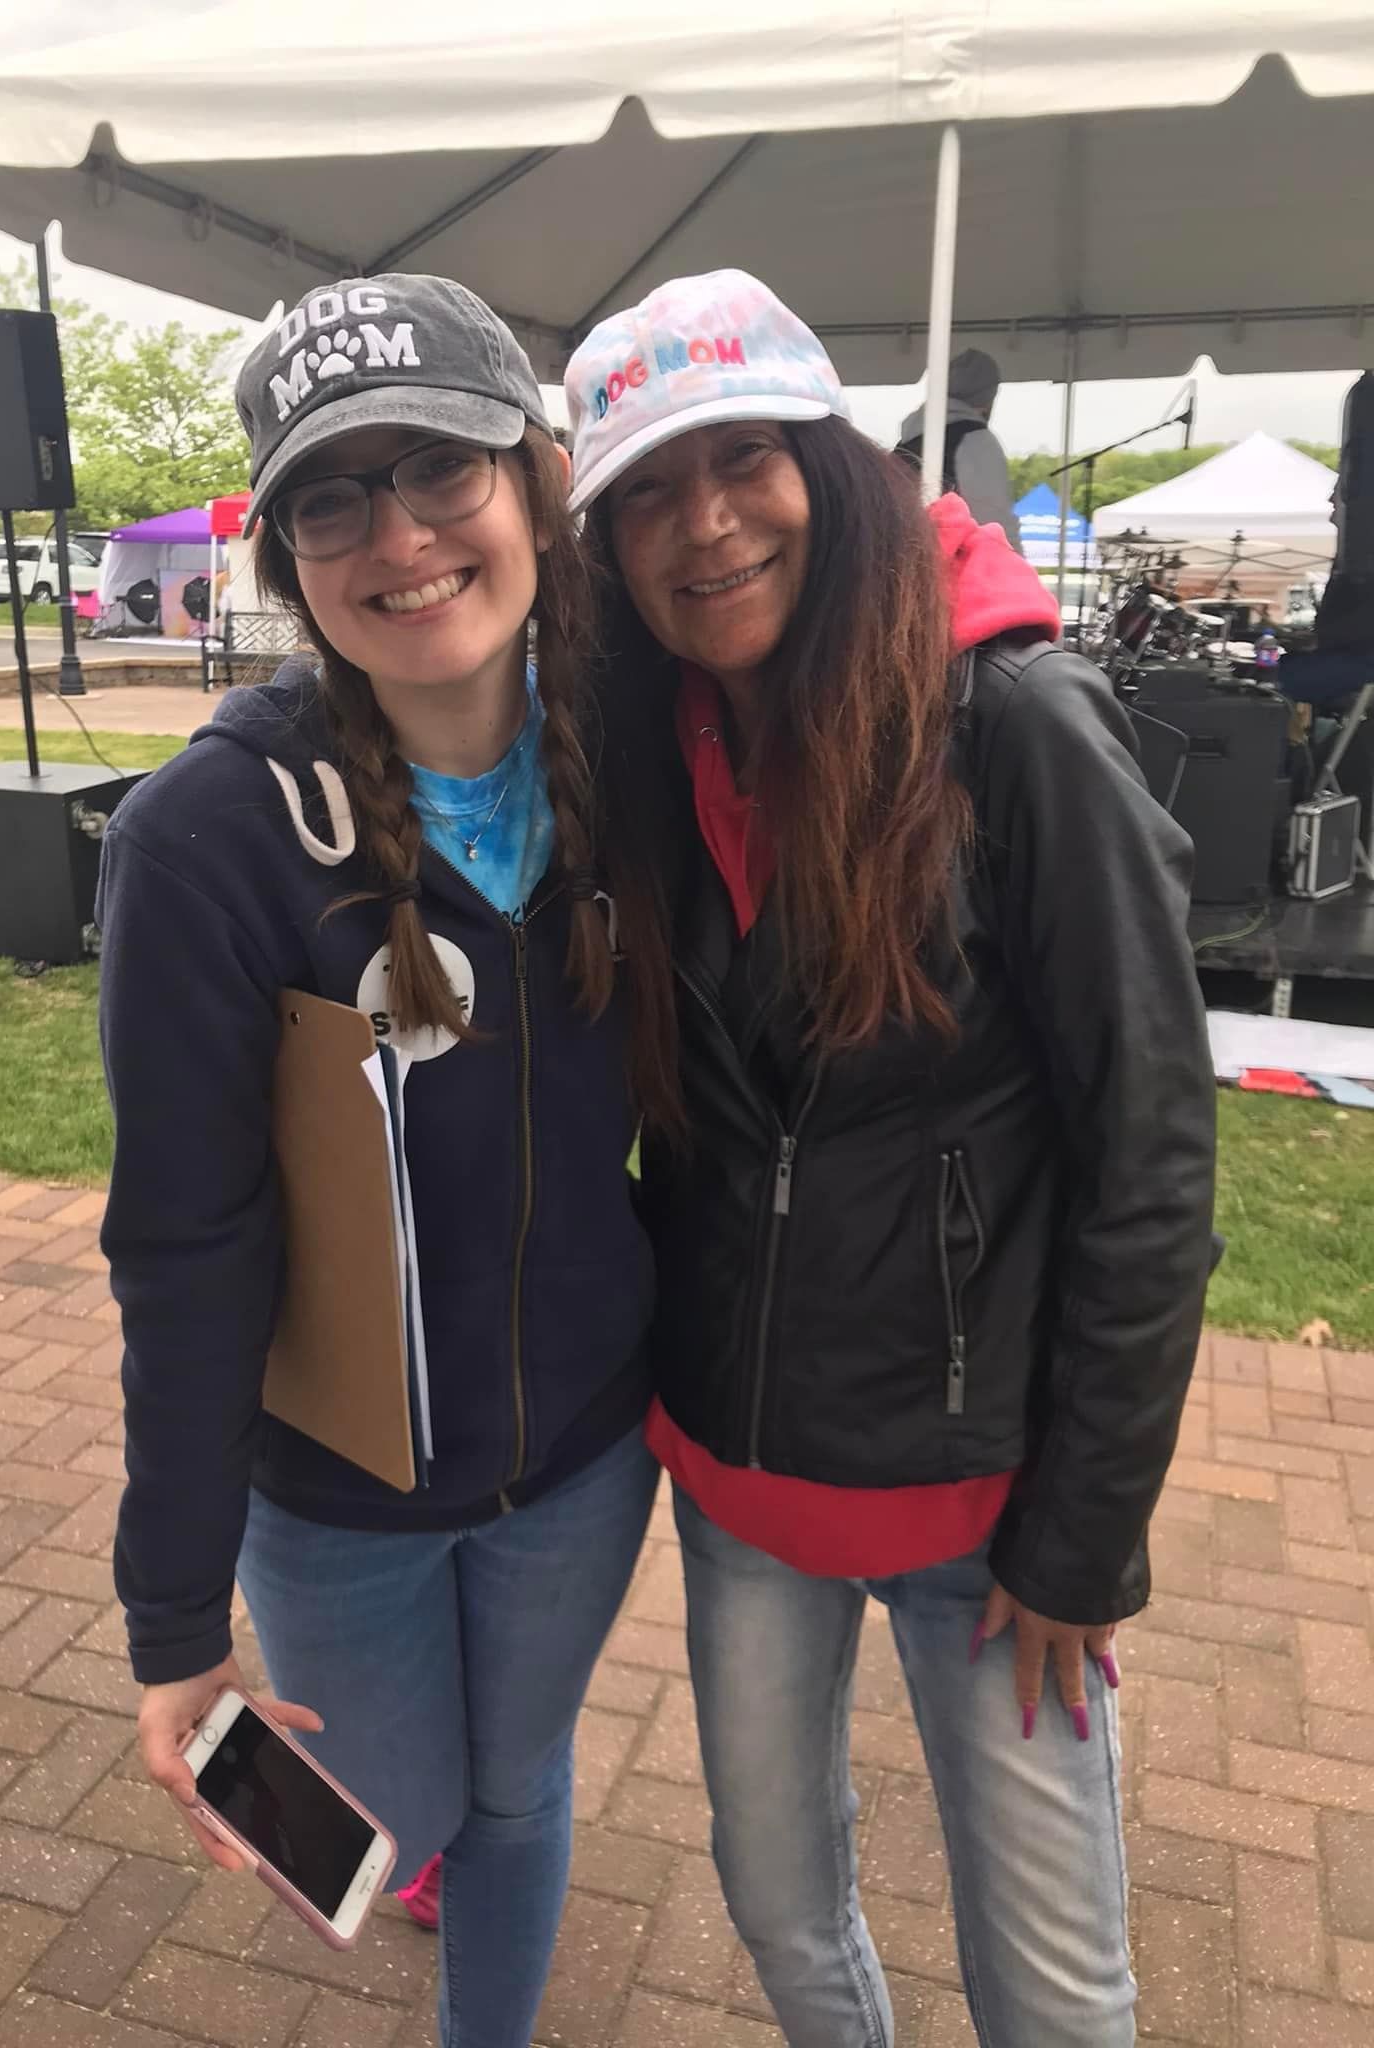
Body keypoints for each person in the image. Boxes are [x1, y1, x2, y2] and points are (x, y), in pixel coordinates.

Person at [566, 270, 1216, 2048]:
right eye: (643, 491)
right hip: (744, 1485)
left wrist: (1082, 1538)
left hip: (991, 1511)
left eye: (747, 459)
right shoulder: (647, 736)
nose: (703, 522)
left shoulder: (1014, 723)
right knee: (781, 1913)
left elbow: (1153, 1159)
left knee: (1058, 1992)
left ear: (833, 464)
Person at [98, 272, 657, 2048]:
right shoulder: (210, 836)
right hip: (334, 1506)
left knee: (518, 1791)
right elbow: (183, 1246)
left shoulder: (643, 762)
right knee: (390, 1823)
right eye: (334, 496)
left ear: (534, 482)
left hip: (580, 1454)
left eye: (440, 471)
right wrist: (175, 1614)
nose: (400, 539)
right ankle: (424, 1858)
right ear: (282, 547)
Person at [897, 346, 1023, 551]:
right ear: (988, 398)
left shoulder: (910, 439)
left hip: (907, 563)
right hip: (953, 567)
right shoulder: (977, 441)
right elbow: (995, 523)